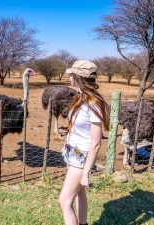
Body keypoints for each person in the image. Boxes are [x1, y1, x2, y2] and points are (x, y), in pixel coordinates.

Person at [59, 60, 110, 225]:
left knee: (64, 202)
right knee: (79, 193)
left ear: (78, 77)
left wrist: (86, 173)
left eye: (71, 74)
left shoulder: (94, 103)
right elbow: (73, 128)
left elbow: (96, 142)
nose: (69, 77)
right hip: (72, 151)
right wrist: (66, 145)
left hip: (81, 157)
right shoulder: (80, 98)